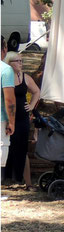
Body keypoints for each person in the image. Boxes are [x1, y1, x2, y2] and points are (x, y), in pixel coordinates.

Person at [2, 52, 40, 188]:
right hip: (7, 117)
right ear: (9, 63)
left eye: (21, 61)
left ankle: (28, 183)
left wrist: (30, 106)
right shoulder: (5, 76)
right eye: (17, 61)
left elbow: (37, 91)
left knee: (22, 149)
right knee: (6, 147)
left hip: (22, 118)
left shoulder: (25, 77)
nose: (20, 63)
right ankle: (4, 180)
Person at [1, 38, 15, 191]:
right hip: (1, 119)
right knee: (1, 149)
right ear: (4, 49)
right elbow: (9, 99)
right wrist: (12, 122)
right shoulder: (5, 69)